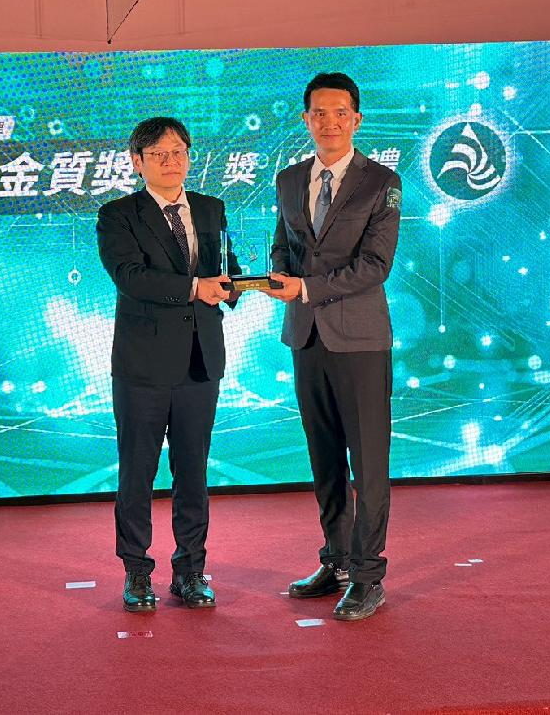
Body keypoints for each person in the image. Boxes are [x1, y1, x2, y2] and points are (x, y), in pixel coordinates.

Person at [263, 71, 402, 622]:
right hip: (305, 336)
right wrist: (277, 276)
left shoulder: (381, 182)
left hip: (360, 339)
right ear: (306, 119)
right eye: (319, 113)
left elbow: (376, 265)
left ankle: (368, 577)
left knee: (367, 463)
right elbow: (282, 245)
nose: (330, 122)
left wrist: (306, 288)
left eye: (340, 112)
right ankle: (337, 562)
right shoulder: (289, 178)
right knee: (324, 458)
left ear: (356, 119)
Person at [96, 116, 238, 613]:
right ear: (137, 162)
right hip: (142, 367)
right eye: (158, 154)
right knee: (137, 473)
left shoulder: (210, 208)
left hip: (201, 361)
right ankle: (137, 572)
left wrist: (244, 284)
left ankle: (191, 571)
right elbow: (130, 277)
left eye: (178, 152)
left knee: (193, 472)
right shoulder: (118, 215)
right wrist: (195, 288)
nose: (171, 161)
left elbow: (226, 268)